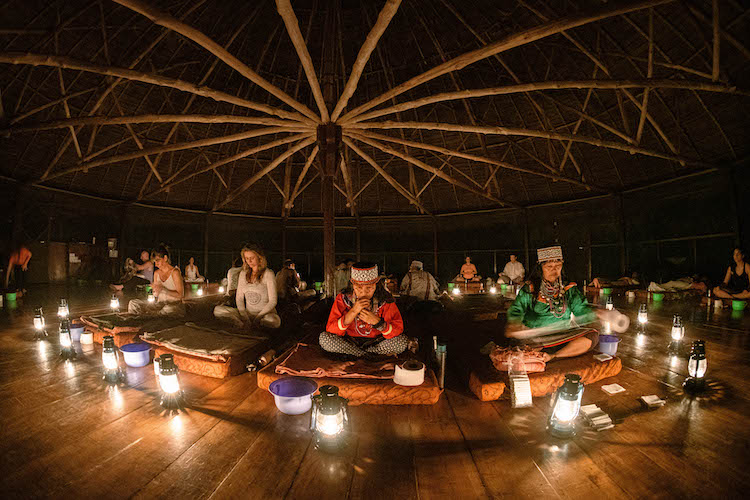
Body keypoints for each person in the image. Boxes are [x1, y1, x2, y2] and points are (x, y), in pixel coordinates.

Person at [506, 245, 616, 362]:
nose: (554, 270)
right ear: (540, 267)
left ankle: (553, 356)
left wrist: (598, 313)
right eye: (549, 266)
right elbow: (516, 309)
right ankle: (542, 354)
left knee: (592, 336)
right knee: (521, 346)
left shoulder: (568, 288)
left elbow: (581, 310)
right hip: (535, 338)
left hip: (562, 336)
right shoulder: (531, 288)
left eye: (558, 266)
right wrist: (514, 323)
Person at [319, 262, 406, 357]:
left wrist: (378, 323)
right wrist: (353, 311)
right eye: (359, 287)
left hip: (376, 342)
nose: (364, 292)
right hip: (350, 341)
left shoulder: (386, 300)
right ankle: (366, 355)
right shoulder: (343, 298)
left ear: (376, 284)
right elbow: (331, 329)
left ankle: (358, 354)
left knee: (401, 342)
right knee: (324, 339)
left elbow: (398, 329)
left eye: (369, 288)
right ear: (352, 284)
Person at [214, 244, 281, 329]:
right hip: (248, 314)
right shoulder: (243, 274)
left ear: (259, 258)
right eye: (246, 258)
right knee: (218, 310)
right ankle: (241, 324)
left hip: (265, 315)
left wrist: (258, 318)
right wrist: (245, 318)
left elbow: (273, 301)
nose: (249, 261)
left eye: (252, 258)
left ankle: (259, 324)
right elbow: (239, 298)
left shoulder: (268, 274)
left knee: (274, 321)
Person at [127, 245, 185, 317]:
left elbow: (180, 295)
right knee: (133, 303)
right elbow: (156, 295)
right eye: (155, 262)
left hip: (173, 306)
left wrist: (163, 289)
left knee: (167, 309)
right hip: (160, 305)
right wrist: (153, 290)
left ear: (165, 258)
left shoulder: (175, 272)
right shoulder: (156, 273)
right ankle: (136, 322)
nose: (156, 264)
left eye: (158, 260)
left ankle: (148, 318)